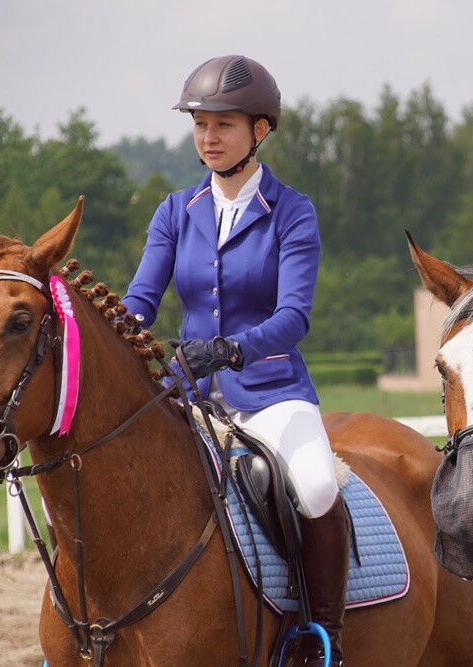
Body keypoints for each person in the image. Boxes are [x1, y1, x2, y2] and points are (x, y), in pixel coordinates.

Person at [122, 55, 348, 667]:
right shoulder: (175, 211)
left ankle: (321, 637)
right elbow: (140, 301)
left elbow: (294, 316)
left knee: (317, 485)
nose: (208, 137)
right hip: (185, 392)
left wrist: (231, 349)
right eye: (200, 124)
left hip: (271, 391)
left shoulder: (292, 212)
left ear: (260, 129)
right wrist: (110, 333)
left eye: (223, 124)